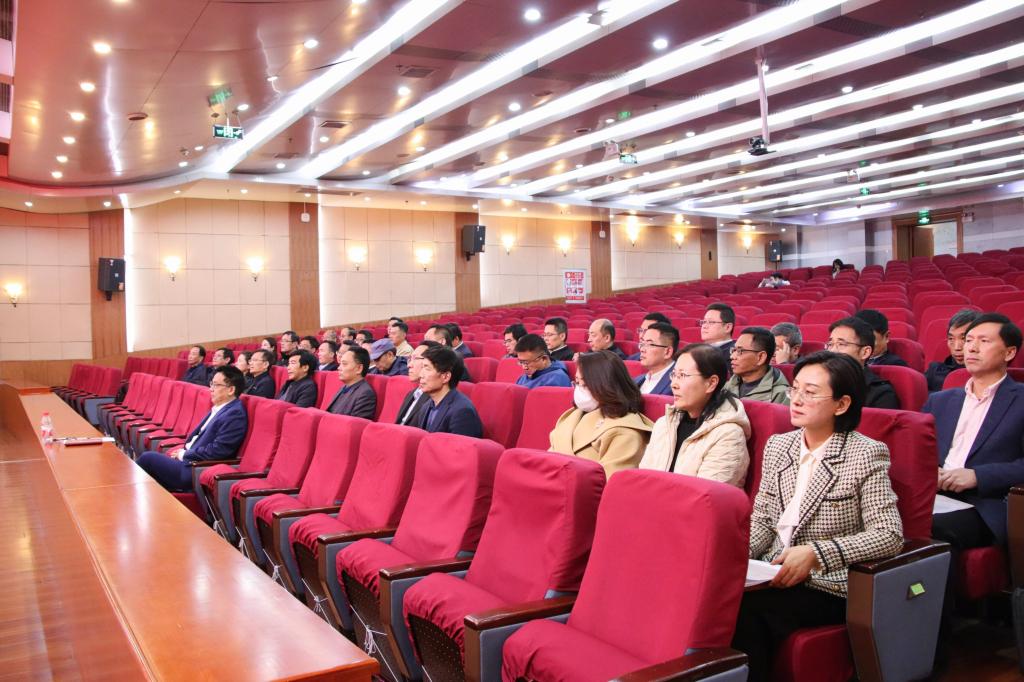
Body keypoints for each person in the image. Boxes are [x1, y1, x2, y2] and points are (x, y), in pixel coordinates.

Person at [732, 351, 903, 681]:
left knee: (746, 613)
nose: (795, 400)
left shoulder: (865, 453)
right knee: (714, 594)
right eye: (795, 388)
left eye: (810, 393)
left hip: (827, 582)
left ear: (841, 404)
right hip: (771, 570)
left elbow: (889, 534)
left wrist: (816, 554)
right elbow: (763, 519)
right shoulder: (779, 446)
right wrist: (736, 558)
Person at [926, 313, 1024, 556]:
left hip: (985, 503)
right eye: (969, 340)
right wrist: (928, 471)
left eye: (984, 341)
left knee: (930, 528)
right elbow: (916, 451)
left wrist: (977, 476)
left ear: (1009, 352)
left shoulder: (1021, 400)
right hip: (932, 494)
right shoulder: (940, 400)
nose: (970, 347)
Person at [639, 343, 751, 487]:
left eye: (682, 375)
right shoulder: (664, 424)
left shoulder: (728, 435)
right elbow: (644, 479)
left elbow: (706, 495)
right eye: (674, 375)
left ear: (711, 383)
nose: (673, 384)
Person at [135, 366, 249, 492]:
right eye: (211, 384)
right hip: (189, 460)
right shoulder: (221, 408)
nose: (211, 389)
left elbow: (219, 450)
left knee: (148, 458)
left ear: (231, 390)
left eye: (216, 385)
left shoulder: (235, 414)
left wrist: (185, 454)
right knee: (152, 479)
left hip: (195, 468)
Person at [548, 350, 654, 478]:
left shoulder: (625, 431)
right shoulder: (572, 415)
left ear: (605, 386)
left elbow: (608, 483)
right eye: (577, 382)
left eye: (585, 384)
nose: (579, 389)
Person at [827, 317, 900, 409]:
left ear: (865, 352)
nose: (832, 351)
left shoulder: (880, 394)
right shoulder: (821, 383)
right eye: (830, 344)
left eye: (841, 344)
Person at [417, 345, 483, 438]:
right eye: (422, 368)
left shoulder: (462, 411)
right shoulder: (426, 406)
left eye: (427, 368)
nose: (420, 375)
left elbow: (460, 446)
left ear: (446, 377)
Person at [726, 327, 790, 404]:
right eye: (734, 350)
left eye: (740, 351)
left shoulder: (780, 395)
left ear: (761, 357)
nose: (732, 356)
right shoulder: (728, 386)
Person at [924, 309, 980, 393]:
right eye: (951, 339)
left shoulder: (990, 374)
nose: (957, 347)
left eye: (964, 338)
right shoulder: (934, 371)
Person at [395, 340, 440, 428]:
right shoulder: (412, 393)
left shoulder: (435, 398)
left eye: (415, 359)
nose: (409, 365)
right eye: (410, 359)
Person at [324, 346, 377, 419]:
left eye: (344, 364)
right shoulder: (344, 387)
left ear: (359, 368)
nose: (339, 368)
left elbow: (356, 424)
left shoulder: (365, 393)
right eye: (340, 364)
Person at [635, 322, 677, 396]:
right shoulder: (636, 380)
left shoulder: (678, 383)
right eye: (642, 344)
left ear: (667, 352)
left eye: (649, 344)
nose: (642, 349)